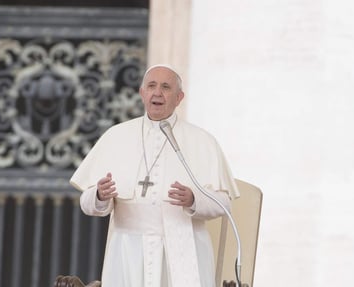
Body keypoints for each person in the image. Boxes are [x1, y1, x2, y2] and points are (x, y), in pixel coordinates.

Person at [70, 64, 240, 287]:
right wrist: (99, 196)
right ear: (142, 93)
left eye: (166, 87)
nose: (157, 92)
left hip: (183, 247)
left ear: (179, 98)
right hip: (127, 250)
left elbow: (224, 203)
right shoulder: (116, 136)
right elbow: (86, 203)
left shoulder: (202, 141)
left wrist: (194, 199)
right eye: (151, 86)